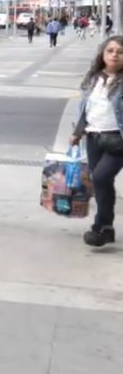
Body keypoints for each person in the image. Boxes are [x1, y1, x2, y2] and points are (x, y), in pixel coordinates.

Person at [70, 36, 123, 247]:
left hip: (117, 140)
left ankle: (100, 226)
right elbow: (86, 107)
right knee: (100, 183)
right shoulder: (93, 77)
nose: (114, 55)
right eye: (110, 50)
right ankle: (106, 228)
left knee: (101, 178)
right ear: (103, 54)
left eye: (120, 51)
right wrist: (77, 132)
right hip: (93, 137)